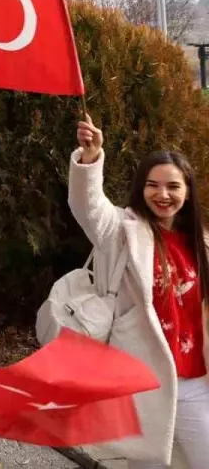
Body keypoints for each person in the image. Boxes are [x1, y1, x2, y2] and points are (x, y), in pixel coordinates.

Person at [69, 117, 209, 469]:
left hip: (194, 380)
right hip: (143, 379)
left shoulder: (201, 243)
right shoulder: (121, 231)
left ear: (188, 191)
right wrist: (91, 158)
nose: (163, 195)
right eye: (153, 185)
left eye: (173, 186)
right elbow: (89, 208)